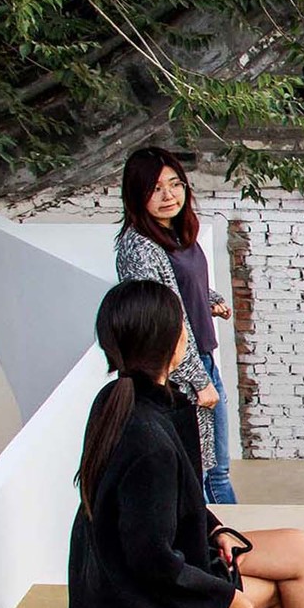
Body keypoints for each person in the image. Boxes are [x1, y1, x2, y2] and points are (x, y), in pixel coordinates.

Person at [69, 280, 304, 608]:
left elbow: (166, 508)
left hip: (124, 585)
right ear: (167, 340)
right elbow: (149, 559)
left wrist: (215, 530)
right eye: (181, 323)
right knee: (279, 588)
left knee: (296, 546)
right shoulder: (146, 438)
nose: (187, 330)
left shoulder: (125, 401)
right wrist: (222, 598)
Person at [114, 146, 238, 504]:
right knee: (204, 474)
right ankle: (230, 552)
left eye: (175, 184)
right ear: (136, 195)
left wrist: (210, 299)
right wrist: (199, 382)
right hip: (182, 375)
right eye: (155, 189)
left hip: (203, 360)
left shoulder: (176, 233)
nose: (168, 195)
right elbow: (162, 322)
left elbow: (183, 284)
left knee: (216, 468)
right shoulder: (140, 248)